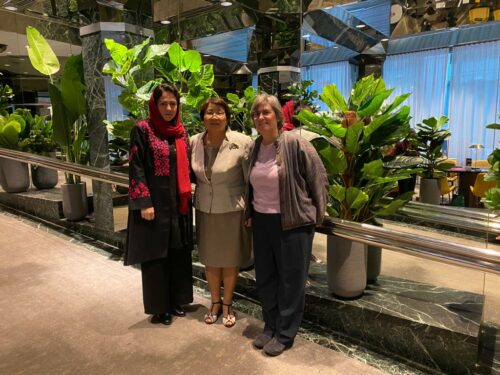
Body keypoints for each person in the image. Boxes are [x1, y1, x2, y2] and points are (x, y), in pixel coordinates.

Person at [246, 93, 328, 356]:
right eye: (257, 114)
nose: (261, 118)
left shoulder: (296, 144)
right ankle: (270, 326)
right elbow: (249, 186)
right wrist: (249, 212)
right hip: (261, 222)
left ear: (278, 116)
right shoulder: (254, 148)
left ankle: (285, 333)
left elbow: (318, 178)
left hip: (293, 223)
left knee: (291, 281)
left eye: (266, 112)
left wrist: (318, 215)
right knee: (266, 279)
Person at [125, 83, 193, 326]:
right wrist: (144, 202)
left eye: (173, 104)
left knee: (178, 252)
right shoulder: (142, 129)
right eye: (163, 103)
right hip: (154, 205)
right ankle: (159, 307)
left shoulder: (181, 132)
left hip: (178, 204)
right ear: (154, 104)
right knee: (156, 256)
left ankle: (176, 300)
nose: (168, 108)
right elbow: (136, 166)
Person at [191, 98, 252, 328]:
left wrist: (251, 210)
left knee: (229, 259)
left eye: (219, 112)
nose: (214, 117)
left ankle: (227, 304)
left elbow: (250, 181)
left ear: (227, 116)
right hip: (205, 207)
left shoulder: (243, 142)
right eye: (209, 112)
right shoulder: (194, 142)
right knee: (210, 258)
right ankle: (214, 302)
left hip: (232, 208)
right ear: (203, 117)